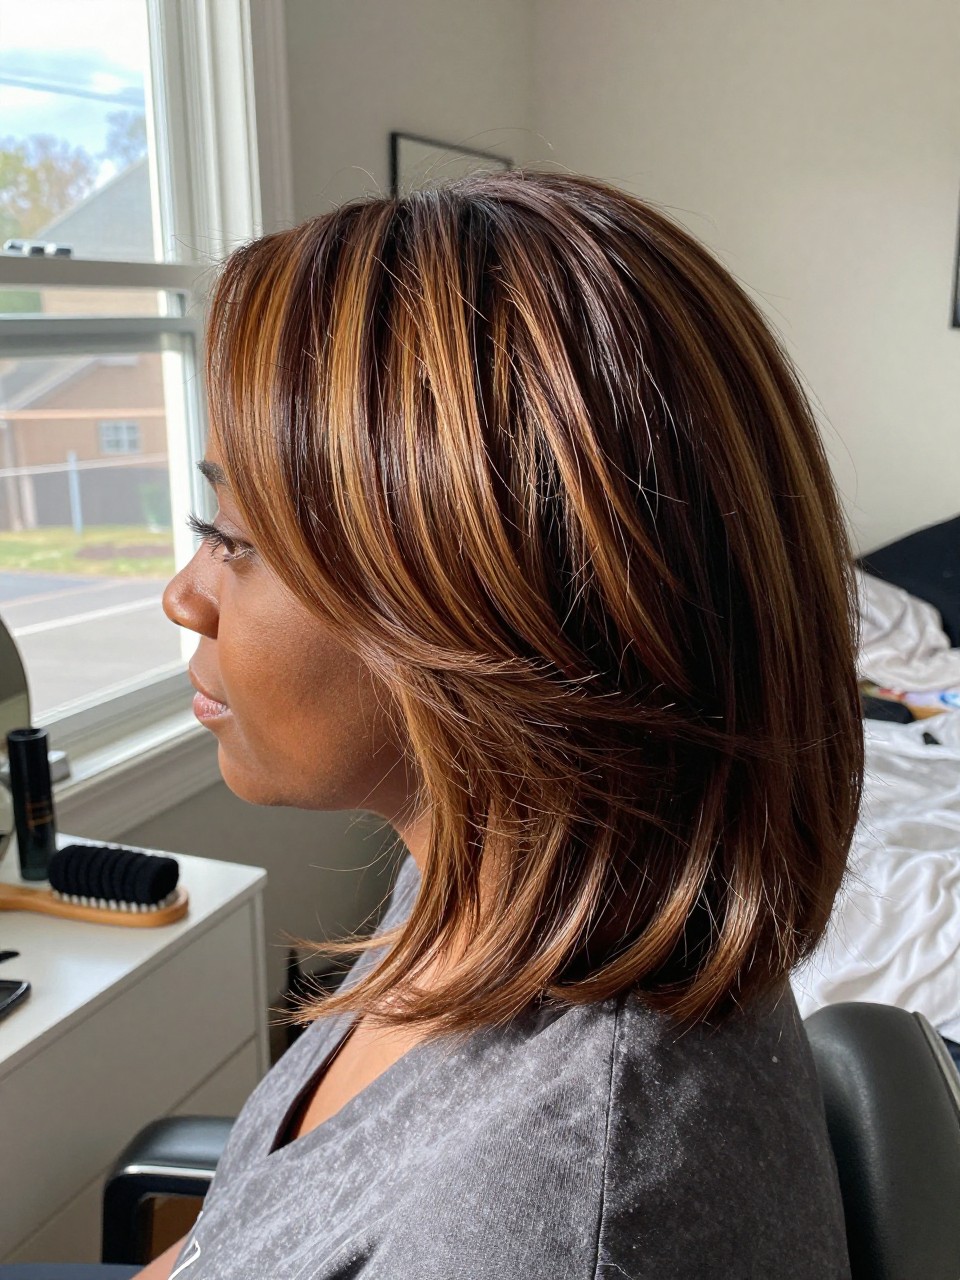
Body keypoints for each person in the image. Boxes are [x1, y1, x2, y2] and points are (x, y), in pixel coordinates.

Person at [10, 170, 863, 1279]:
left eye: (236, 538)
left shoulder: (548, 1226)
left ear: (484, 610)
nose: (185, 593)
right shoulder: (493, 875)